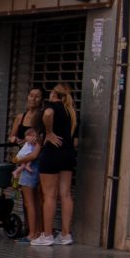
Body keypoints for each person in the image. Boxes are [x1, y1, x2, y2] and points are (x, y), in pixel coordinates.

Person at [35, 83, 80, 246]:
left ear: (54, 94)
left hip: (53, 153)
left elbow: (47, 114)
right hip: (68, 154)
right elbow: (75, 141)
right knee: (66, 194)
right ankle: (66, 234)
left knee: (49, 195)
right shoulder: (72, 112)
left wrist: (49, 133)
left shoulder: (52, 106)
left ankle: (47, 235)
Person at [13, 123, 43, 237]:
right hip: (36, 170)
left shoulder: (37, 139)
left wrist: (18, 161)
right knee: (36, 203)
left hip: (29, 173)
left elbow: (33, 156)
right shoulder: (41, 137)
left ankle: (31, 233)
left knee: (29, 203)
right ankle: (38, 232)